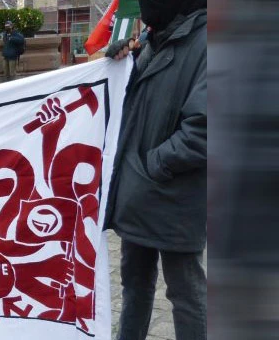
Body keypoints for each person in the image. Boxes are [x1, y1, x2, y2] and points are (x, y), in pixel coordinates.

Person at [104, 1, 208, 339]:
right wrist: (123, 60)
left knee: (186, 295)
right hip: (140, 194)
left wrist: (153, 165)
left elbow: (205, 130)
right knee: (135, 286)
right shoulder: (155, 40)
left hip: (175, 197)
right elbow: (133, 105)